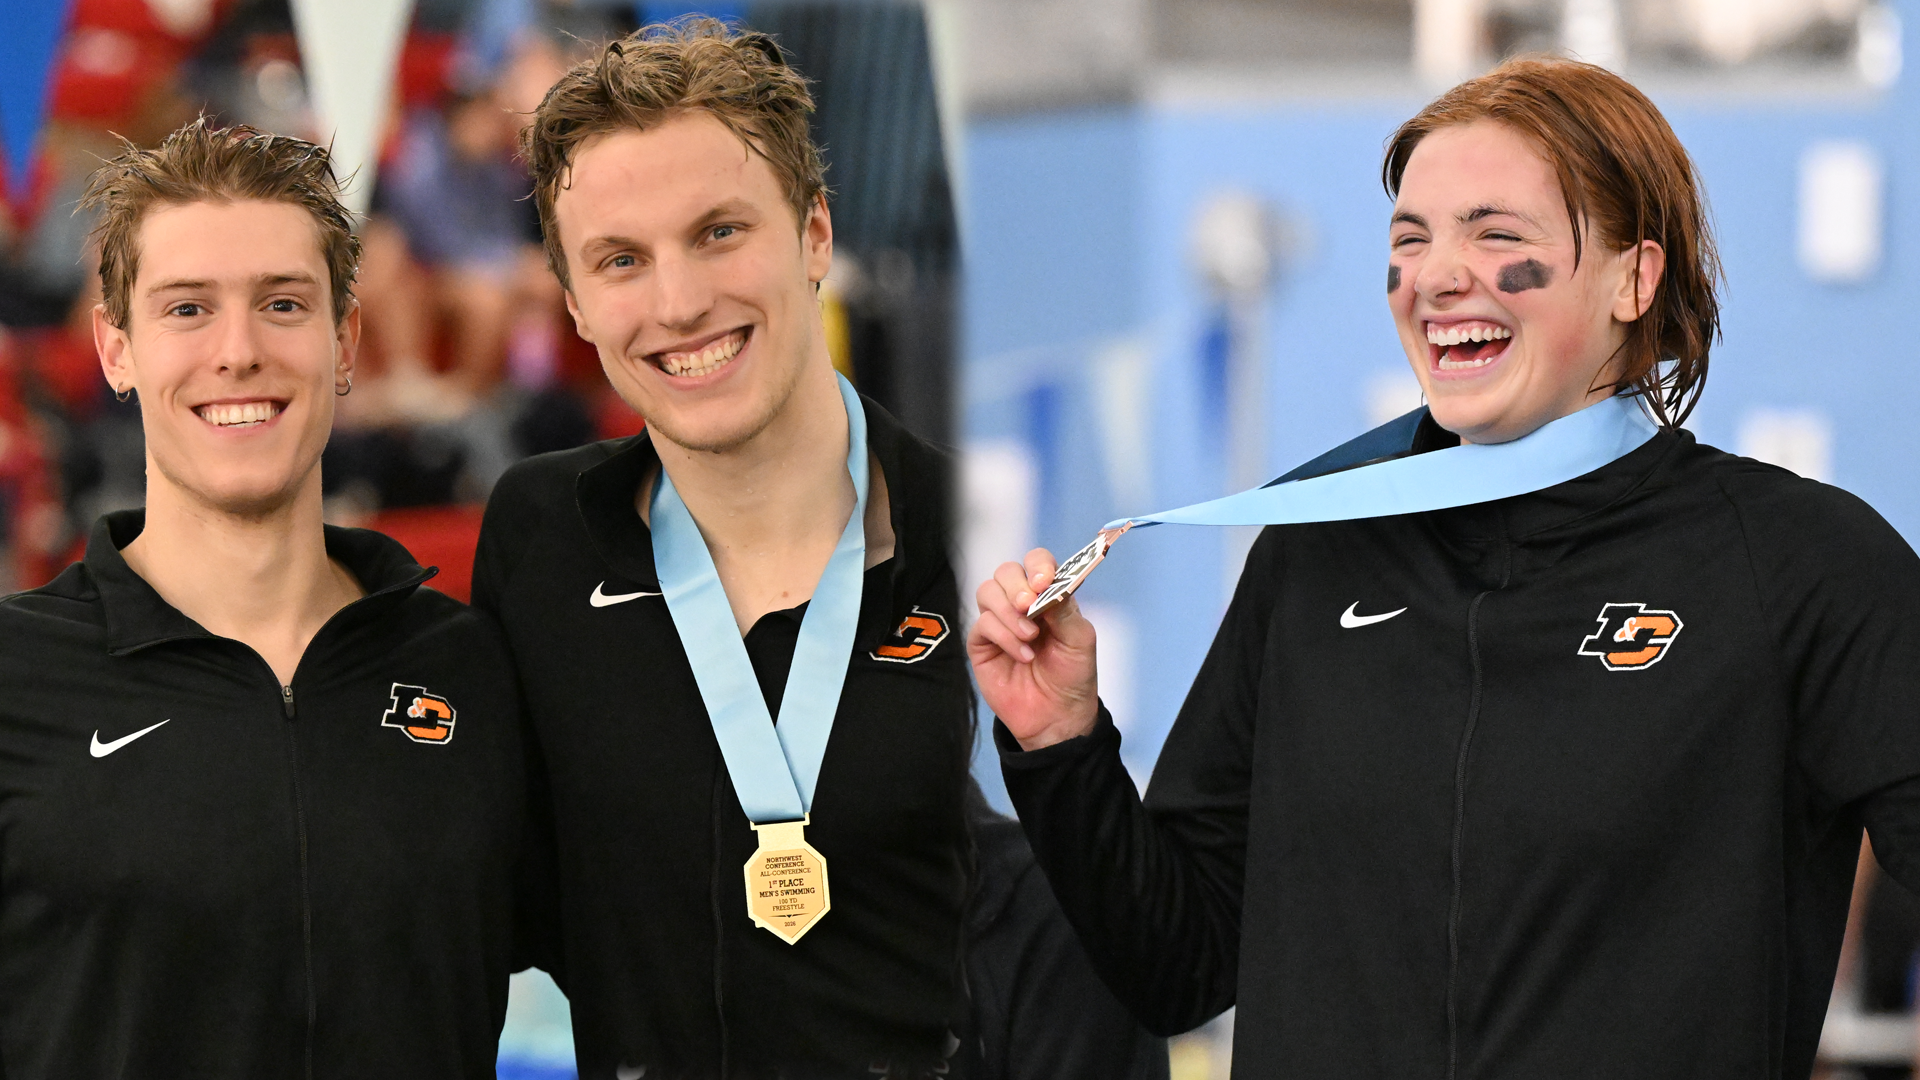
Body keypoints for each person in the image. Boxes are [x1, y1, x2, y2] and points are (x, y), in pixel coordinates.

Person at [971, 56, 1920, 1080]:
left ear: (1633, 279)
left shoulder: (1797, 565)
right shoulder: (1319, 553)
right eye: (1410, 240)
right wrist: (1062, 745)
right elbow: (1179, 966)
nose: (1436, 275)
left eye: (1496, 235)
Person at [474, 19, 1164, 1080]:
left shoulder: (973, 544)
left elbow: (1092, 929)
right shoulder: (542, 539)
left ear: (814, 234)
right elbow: (507, 904)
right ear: (572, 302)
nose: (679, 303)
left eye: (719, 232)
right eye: (621, 260)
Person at [0, 118, 527, 1078]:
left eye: (282, 304)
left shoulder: (475, 670)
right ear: (116, 348)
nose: (238, 351)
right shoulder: (16, 681)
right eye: (187, 309)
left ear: (345, 341)